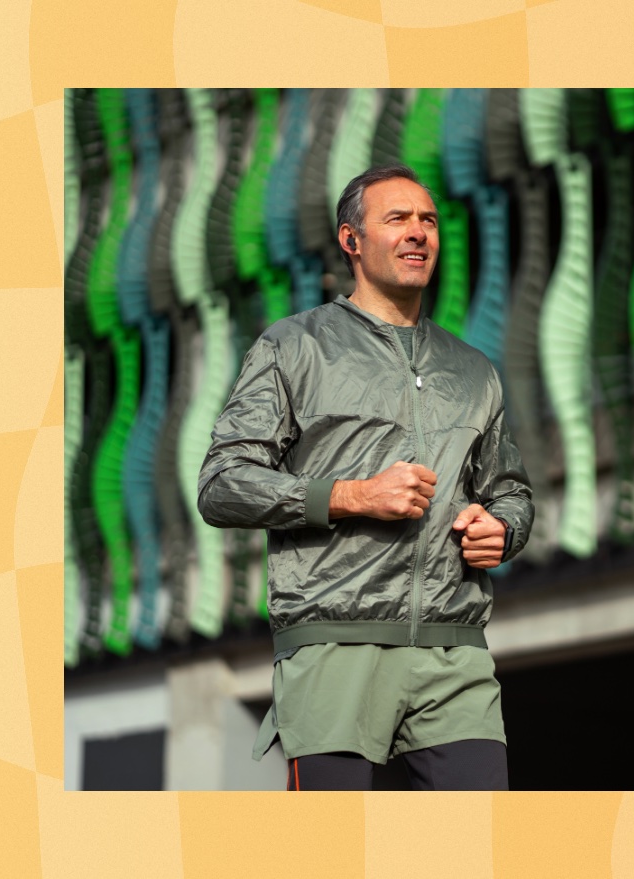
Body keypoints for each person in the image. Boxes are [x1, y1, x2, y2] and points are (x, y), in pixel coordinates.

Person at [197, 164, 534, 790]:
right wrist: (353, 495)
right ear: (351, 240)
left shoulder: (473, 370)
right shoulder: (293, 346)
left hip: (452, 649)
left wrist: (504, 527)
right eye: (397, 219)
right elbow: (222, 483)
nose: (417, 233)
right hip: (333, 646)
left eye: (428, 220)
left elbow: (509, 489)